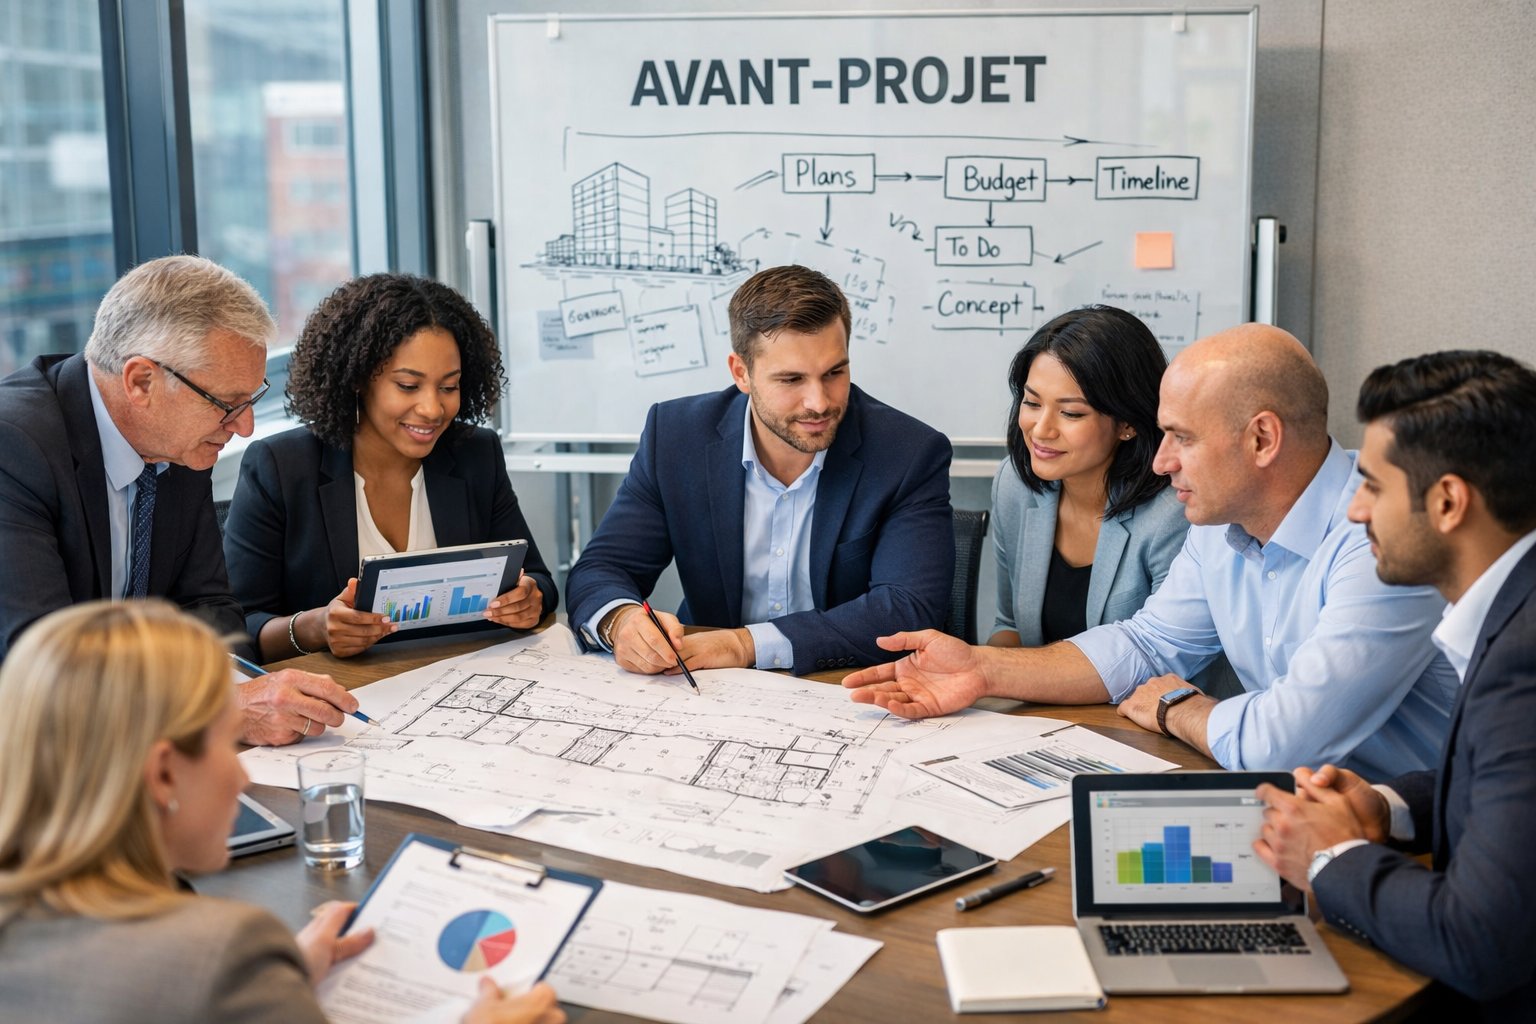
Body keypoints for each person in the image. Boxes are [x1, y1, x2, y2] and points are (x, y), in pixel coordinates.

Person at [843, 323, 1457, 780]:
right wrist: (982, 669)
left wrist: (1177, 707)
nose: (1161, 462)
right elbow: (1146, 645)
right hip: (1313, 808)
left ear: (1263, 438)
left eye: (1182, 438)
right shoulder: (1223, 522)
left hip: (1419, 830)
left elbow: (1283, 741)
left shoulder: (1381, 540)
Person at [0, 599, 565, 1024]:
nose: (242, 775)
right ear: (164, 773)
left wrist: (270, 991)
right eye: (226, 745)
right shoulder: (227, 950)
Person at [1254, 351, 1536, 1021]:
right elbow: (1507, 786)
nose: (1355, 513)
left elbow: (1477, 942)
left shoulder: (1523, 667)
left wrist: (1332, 856)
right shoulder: (1515, 612)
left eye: (1372, 486)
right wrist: (1389, 808)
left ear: (1446, 502)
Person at [0, 254, 357, 746]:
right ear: (140, 381)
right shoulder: (14, 448)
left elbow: (210, 610)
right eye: (228, 405)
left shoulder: (178, 441)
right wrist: (220, 712)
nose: (245, 428)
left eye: (251, 401)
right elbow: (38, 667)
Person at [565, 264, 953, 676]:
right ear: (741, 373)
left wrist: (743, 643)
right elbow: (603, 568)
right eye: (791, 379)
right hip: (710, 688)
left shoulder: (907, 453)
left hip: (845, 685)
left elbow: (908, 609)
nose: (818, 402)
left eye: (834, 373)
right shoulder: (677, 437)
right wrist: (621, 621)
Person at [224, 274, 558, 660]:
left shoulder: (475, 455)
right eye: (408, 386)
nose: (433, 409)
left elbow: (540, 580)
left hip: (453, 683)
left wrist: (529, 598)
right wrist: (314, 627)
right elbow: (236, 629)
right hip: (342, 697)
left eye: (448, 387)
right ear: (357, 380)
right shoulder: (281, 468)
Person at [989, 305, 1187, 649]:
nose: (1041, 430)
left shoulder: (1172, 514)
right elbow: (1010, 625)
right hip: (1042, 699)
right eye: (1032, 403)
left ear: (1127, 424)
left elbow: (1162, 658)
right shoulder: (1014, 484)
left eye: (1070, 413)